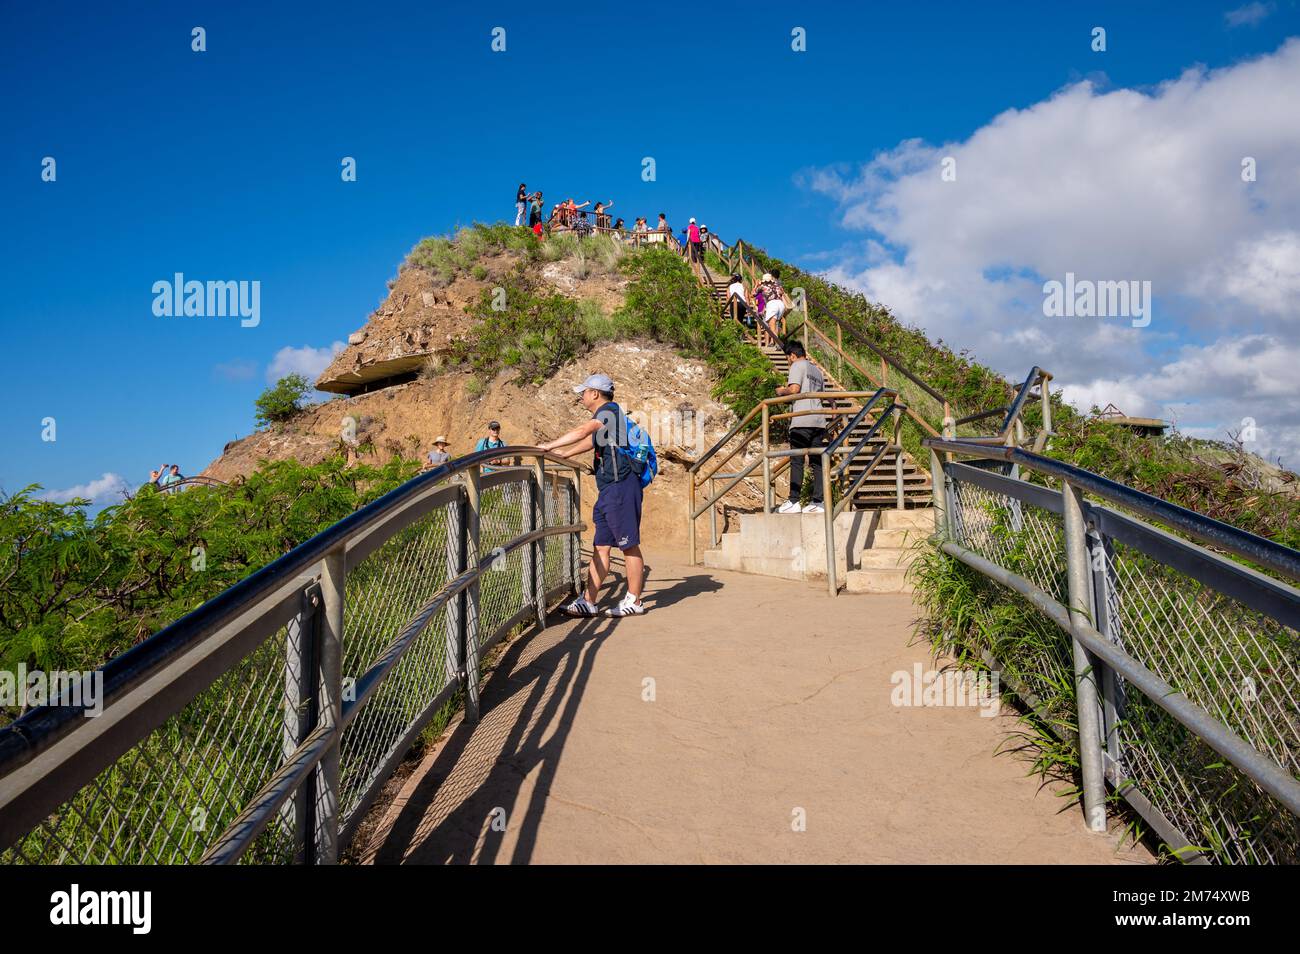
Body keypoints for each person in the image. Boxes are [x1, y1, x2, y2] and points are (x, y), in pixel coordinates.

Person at [539, 373, 647, 618]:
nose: (581, 397)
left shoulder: (608, 411)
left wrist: (549, 446)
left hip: (621, 486)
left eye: (584, 392)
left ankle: (635, 600)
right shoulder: (608, 419)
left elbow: (583, 431)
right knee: (601, 546)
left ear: (595, 394)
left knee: (628, 545)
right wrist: (565, 455)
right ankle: (589, 601)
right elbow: (590, 442)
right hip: (609, 488)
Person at [774, 342, 827, 514]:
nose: (789, 362)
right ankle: (818, 502)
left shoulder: (797, 365)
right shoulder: (817, 371)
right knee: (817, 462)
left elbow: (795, 389)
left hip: (802, 419)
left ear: (792, 356)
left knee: (797, 460)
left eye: (788, 358)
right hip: (818, 420)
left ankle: (794, 501)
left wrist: (781, 391)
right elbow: (825, 397)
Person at [758, 272, 787, 344]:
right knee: (775, 325)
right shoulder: (778, 286)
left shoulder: (762, 286)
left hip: (772, 304)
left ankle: (778, 342)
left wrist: (756, 285)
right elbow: (782, 293)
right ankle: (773, 342)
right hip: (781, 304)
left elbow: (753, 294)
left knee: (771, 326)